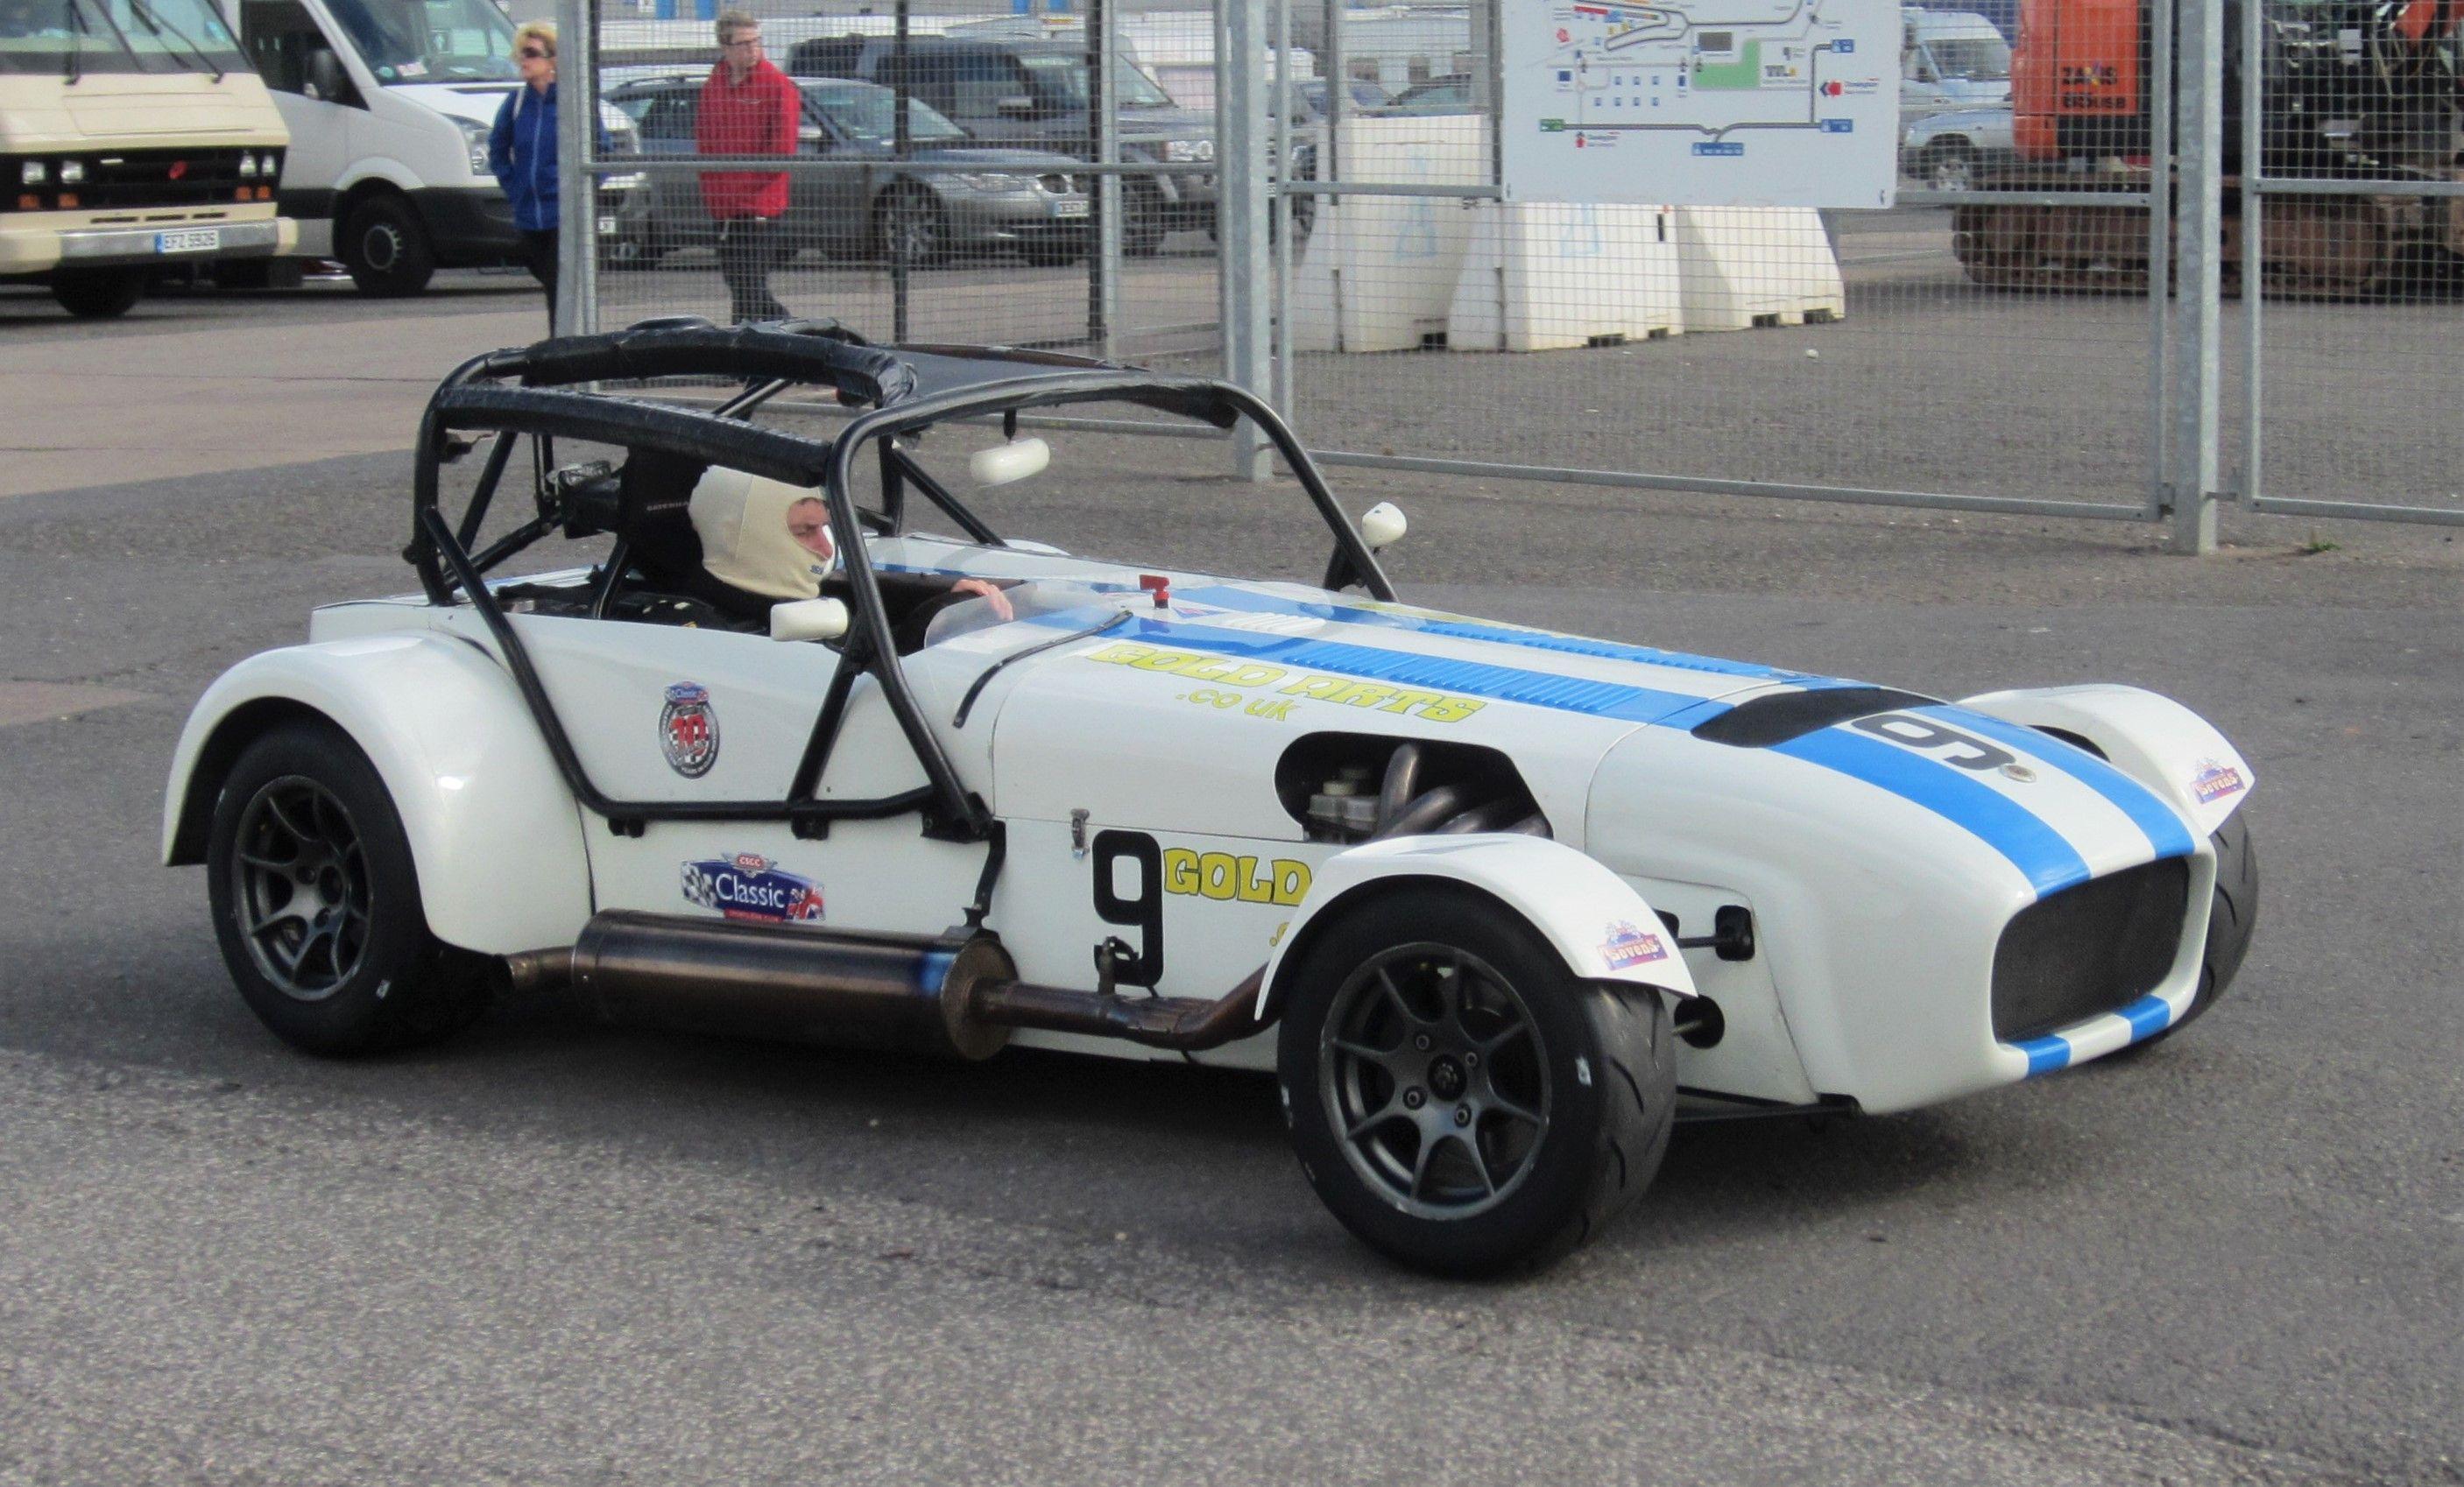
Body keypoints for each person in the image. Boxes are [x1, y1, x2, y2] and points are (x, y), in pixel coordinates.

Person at [689, 468, 1014, 638]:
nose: (826, 549)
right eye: (805, 531)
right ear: (741, 537)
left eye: (824, 528)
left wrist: (946, 594)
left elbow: (844, 593)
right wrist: (930, 624)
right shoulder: (703, 631)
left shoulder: (776, 595)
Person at [696, 10, 801, 324]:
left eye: (756, 41)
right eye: (743, 43)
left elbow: (782, 149)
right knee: (739, 284)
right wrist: (715, 192)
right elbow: (705, 139)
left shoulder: (776, 85)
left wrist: (747, 188)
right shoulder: (715, 84)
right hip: (724, 207)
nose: (753, 49)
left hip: (759, 207)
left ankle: (758, 342)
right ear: (725, 47)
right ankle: (787, 334)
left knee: (749, 286)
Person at [488, 21, 561, 330]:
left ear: (552, 60)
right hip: (528, 215)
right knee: (547, 280)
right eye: (521, 53)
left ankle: (562, 346)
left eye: (531, 53)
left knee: (559, 286)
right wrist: (514, 186)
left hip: (561, 217)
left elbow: (603, 150)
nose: (523, 60)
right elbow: (497, 149)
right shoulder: (516, 103)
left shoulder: (570, 102)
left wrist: (577, 193)